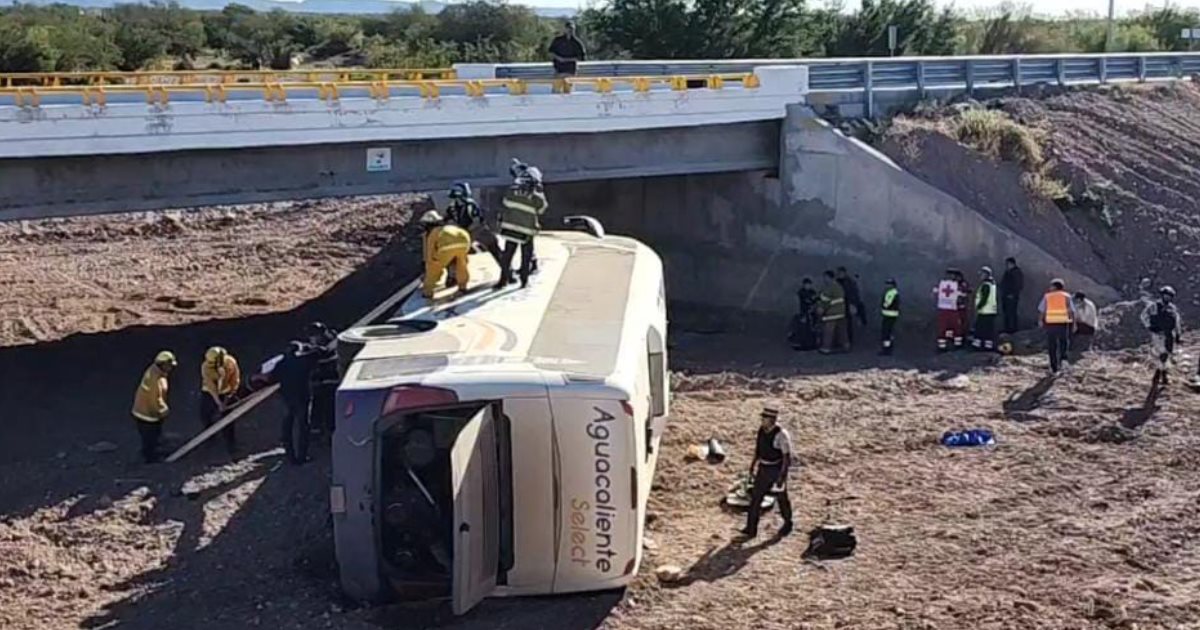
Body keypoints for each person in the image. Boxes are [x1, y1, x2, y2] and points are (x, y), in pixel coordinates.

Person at [737, 407, 793, 541]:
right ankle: (751, 529)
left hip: (775, 469)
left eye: (765, 418)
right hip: (763, 468)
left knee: (781, 499)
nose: (762, 421)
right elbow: (758, 449)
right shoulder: (761, 431)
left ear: (772, 420)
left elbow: (786, 457)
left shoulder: (781, 434)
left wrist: (781, 477)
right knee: (756, 498)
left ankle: (787, 522)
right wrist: (753, 465)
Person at [497, 159, 548, 290]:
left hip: (510, 230)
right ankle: (524, 281)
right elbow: (542, 209)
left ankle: (503, 280)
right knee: (526, 257)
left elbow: (506, 203)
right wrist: (539, 191)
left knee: (507, 255)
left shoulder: (511, 191)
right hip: (527, 232)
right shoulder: (536, 196)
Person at [274, 340, 319, 465]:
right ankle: (302, 456)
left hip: (287, 398)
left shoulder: (281, 364)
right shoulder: (304, 361)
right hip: (303, 397)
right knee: (303, 427)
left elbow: (272, 378)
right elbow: (319, 353)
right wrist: (308, 348)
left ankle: (290, 456)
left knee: (287, 427)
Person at [131, 351, 177, 463]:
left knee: (153, 435)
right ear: (163, 364)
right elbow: (155, 398)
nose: (171, 368)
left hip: (145, 411)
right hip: (147, 414)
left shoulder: (154, 371)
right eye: (169, 365)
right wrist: (162, 410)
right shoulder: (155, 380)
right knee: (150, 436)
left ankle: (153, 450)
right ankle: (150, 458)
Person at [445, 181, 503, 270]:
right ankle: (507, 272)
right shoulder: (468, 204)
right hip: (471, 231)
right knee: (492, 245)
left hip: (468, 232)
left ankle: (507, 271)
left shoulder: (454, 206)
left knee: (492, 244)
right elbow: (478, 220)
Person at [421, 210, 471, 299]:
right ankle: (462, 287)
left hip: (447, 246)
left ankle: (428, 292)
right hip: (464, 240)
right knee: (461, 265)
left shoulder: (432, 233)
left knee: (433, 267)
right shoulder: (449, 227)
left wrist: (431, 262)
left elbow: (429, 252)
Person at [200, 346, 241, 453]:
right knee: (205, 414)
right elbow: (210, 386)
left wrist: (229, 396)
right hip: (209, 393)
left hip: (226, 392)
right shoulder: (205, 367)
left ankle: (230, 443)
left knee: (228, 419)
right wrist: (218, 403)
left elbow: (235, 380)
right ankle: (210, 436)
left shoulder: (231, 363)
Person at [1141, 286, 1181, 386]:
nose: (1167, 298)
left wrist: (1178, 333)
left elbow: (1176, 321)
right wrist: (1149, 326)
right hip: (1158, 334)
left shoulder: (1172, 308)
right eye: (1166, 296)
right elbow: (1144, 315)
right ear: (1162, 296)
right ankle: (1161, 375)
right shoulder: (1154, 306)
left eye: (1169, 297)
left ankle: (1161, 373)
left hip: (1168, 335)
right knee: (1161, 354)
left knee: (1167, 354)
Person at [307, 322, 340, 434]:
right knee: (318, 404)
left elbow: (326, 354)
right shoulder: (326, 344)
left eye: (314, 335)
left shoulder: (330, 347)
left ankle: (328, 430)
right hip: (320, 383)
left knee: (328, 407)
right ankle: (316, 429)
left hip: (330, 381)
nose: (312, 338)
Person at [1039, 278, 1076, 374]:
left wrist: (1040, 320)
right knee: (1063, 342)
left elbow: (1042, 310)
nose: (1049, 288)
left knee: (1052, 345)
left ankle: (1054, 367)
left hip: (1051, 323)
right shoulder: (1067, 296)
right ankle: (1063, 361)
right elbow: (1071, 310)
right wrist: (1074, 323)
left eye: (1051, 286)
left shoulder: (1047, 296)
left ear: (1055, 287)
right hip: (1063, 322)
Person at [818, 270, 848, 354]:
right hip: (841, 312)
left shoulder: (830, 287)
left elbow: (825, 300)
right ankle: (846, 346)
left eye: (825, 277)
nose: (824, 279)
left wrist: (820, 308)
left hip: (832, 313)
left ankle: (826, 348)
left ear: (829, 277)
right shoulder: (839, 286)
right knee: (842, 331)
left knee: (828, 331)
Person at [835, 267, 866, 347]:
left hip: (846, 305)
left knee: (847, 324)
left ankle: (847, 341)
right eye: (839, 273)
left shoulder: (849, 283)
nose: (840, 274)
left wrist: (853, 304)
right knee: (840, 324)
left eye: (841, 273)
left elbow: (853, 294)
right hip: (839, 305)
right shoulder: (838, 282)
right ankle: (842, 341)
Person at [934, 269, 962, 352]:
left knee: (956, 326)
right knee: (943, 327)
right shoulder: (943, 285)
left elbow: (963, 294)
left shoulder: (958, 285)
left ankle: (957, 345)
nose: (951, 277)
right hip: (944, 308)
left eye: (952, 275)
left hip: (953, 308)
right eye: (949, 275)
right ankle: (942, 346)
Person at [789, 277, 820, 351]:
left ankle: (811, 343)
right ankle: (803, 344)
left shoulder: (812, 292)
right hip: (804, 313)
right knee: (803, 329)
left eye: (809, 285)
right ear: (803, 285)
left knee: (811, 329)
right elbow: (807, 300)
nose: (808, 286)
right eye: (806, 285)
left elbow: (816, 299)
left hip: (812, 313)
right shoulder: (801, 292)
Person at [972, 266, 999, 352]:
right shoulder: (992, 284)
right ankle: (988, 346)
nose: (981, 276)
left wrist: (978, 306)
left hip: (984, 311)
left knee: (980, 328)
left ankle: (977, 345)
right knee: (988, 330)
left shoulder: (986, 285)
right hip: (991, 311)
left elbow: (984, 298)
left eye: (982, 274)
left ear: (986, 275)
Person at [1071, 292, 1099, 359]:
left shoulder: (1088, 306)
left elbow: (1084, 319)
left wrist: (1074, 323)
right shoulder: (1084, 304)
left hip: (1088, 326)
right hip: (1086, 325)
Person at [1000, 257, 1024, 334]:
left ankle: (1012, 330)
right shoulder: (1008, 272)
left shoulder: (1016, 273)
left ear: (1011, 263)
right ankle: (1007, 329)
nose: (1006, 266)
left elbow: (1018, 285)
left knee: (1011, 313)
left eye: (1007, 264)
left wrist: (1012, 294)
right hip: (1006, 295)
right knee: (1007, 313)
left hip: (1011, 296)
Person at [879, 278, 900, 355]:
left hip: (889, 314)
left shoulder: (891, 293)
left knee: (886, 333)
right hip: (892, 314)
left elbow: (887, 303)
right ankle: (889, 347)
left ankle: (886, 349)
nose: (886, 285)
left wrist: (883, 306)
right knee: (890, 332)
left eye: (888, 284)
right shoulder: (894, 292)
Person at [954, 270, 971, 349]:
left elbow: (968, 292)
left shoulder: (963, 284)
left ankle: (962, 338)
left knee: (962, 323)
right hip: (954, 307)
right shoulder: (953, 284)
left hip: (962, 307)